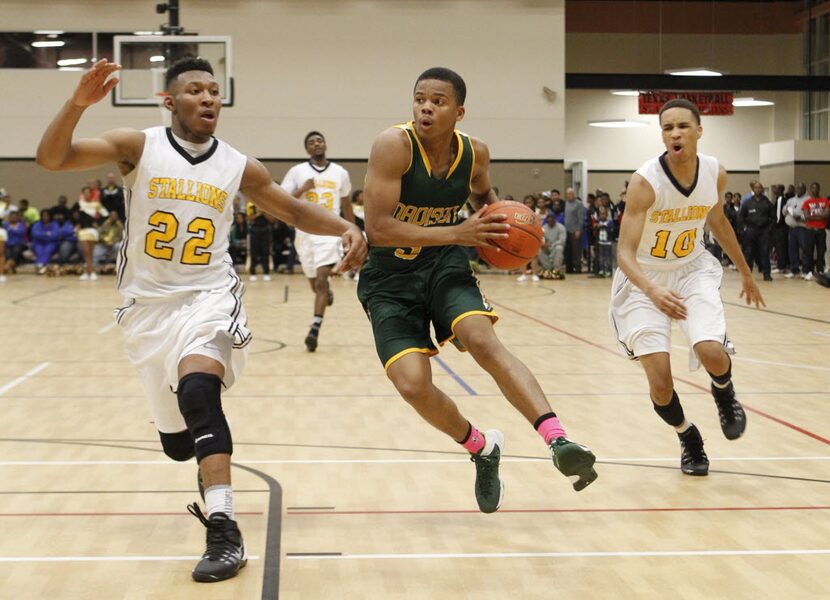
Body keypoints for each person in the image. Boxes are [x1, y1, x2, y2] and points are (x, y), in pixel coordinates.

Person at [37, 57, 366, 583]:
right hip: (146, 310)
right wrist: (77, 105)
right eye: (195, 90)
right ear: (170, 101)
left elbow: (296, 211)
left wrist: (347, 227)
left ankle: (224, 528)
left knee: (198, 392)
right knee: (177, 445)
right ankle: (192, 449)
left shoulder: (237, 165)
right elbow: (52, 159)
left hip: (208, 296)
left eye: (215, 90)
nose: (209, 98)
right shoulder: (137, 147)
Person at [357, 67, 598, 514]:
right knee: (412, 385)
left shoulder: (475, 154)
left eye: (438, 101)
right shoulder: (393, 145)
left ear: (459, 112)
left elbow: (486, 205)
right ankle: (481, 447)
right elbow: (378, 228)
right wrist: (458, 232)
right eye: (420, 99)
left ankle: (558, 439)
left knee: (482, 339)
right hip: (389, 280)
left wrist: (508, 236)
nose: (426, 107)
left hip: (444, 267)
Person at [611, 99, 765, 477]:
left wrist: (745, 271)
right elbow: (624, 253)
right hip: (643, 278)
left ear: (699, 130)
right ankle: (687, 435)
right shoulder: (646, 181)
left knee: (712, 351)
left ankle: (723, 390)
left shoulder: (715, 172)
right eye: (667, 128)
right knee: (661, 383)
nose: (675, 133)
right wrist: (651, 290)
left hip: (691, 269)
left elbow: (719, 223)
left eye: (682, 126)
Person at [280, 131, 355, 352]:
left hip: (329, 232)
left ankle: (314, 329)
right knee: (315, 284)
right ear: (307, 150)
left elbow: (347, 205)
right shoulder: (297, 172)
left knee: (322, 280)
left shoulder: (340, 173)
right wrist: (303, 189)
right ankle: (324, 293)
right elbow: (282, 202)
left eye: (319, 140)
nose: (316, 144)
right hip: (304, 234)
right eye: (311, 142)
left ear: (325, 145)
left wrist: (353, 232)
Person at [738, 181, 774, 281]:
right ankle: (747, 275)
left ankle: (766, 273)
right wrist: (743, 229)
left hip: (764, 231)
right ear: (753, 190)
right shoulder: (747, 203)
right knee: (749, 253)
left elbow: (773, 217)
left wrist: (769, 229)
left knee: (765, 252)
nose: (758, 190)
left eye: (759, 188)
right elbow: (741, 217)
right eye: (756, 188)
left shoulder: (767, 203)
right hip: (751, 230)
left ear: (762, 189)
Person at [800, 182, 829, 280]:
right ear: (810, 189)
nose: (814, 190)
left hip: (821, 230)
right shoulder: (807, 202)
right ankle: (809, 271)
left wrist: (813, 216)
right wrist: (820, 215)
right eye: (812, 188)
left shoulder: (825, 201)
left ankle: (820, 270)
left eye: (816, 188)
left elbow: (826, 215)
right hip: (810, 230)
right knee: (809, 251)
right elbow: (807, 217)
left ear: (819, 189)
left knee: (821, 251)